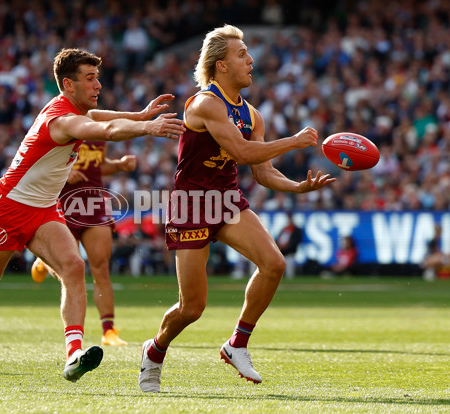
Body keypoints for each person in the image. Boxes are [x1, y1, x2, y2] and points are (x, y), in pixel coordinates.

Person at [0, 48, 185, 383]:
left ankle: (73, 353)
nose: (97, 84)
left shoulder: (73, 110)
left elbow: (101, 117)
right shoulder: (62, 120)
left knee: (74, 266)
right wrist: (148, 127)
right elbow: (106, 131)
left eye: (97, 77)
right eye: (90, 79)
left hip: (44, 207)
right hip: (8, 208)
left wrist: (141, 113)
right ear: (68, 85)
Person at [138, 25, 336, 393]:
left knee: (275, 263)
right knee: (192, 308)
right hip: (192, 205)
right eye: (242, 55)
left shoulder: (253, 115)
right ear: (220, 65)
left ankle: (237, 344)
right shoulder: (204, 103)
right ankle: (154, 350)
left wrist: (298, 187)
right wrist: (293, 142)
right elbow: (244, 154)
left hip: (228, 201)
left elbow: (261, 173)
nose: (251, 60)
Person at [31, 140, 139, 346]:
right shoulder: (60, 124)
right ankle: (45, 261)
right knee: (68, 267)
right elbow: (34, 163)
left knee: (101, 267)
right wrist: (62, 172)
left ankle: (109, 331)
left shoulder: (99, 131)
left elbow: (96, 165)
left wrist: (118, 165)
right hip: (61, 203)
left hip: (93, 203)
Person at [275, 211, 303, 279]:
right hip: (281, 251)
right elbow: (278, 239)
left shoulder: (296, 229)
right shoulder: (284, 229)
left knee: (290, 270)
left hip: (290, 252)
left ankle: (289, 279)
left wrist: (287, 245)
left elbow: (296, 241)